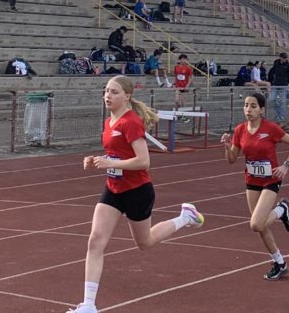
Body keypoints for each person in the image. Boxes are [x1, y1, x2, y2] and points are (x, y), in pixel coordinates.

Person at [67, 75, 206, 313]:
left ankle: (185, 217)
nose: (108, 96)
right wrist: (96, 161)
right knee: (95, 241)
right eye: (106, 91)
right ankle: (89, 305)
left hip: (137, 191)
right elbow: (115, 154)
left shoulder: (130, 122)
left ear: (127, 96)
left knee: (145, 242)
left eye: (114, 92)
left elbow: (144, 161)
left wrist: (111, 163)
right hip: (113, 189)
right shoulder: (110, 120)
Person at [220, 91, 289, 280]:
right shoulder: (240, 130)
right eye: (246, 105)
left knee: (256, 224)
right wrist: (226, 146)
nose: (248, 109)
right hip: (251, 181)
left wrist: (286, 165)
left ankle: (282, 210)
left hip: (271, 180)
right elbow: (232, 160)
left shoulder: (271, 128)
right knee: (261, 227)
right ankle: (279, 262)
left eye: (253, 106)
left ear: (262, 110)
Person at [268, 53, 289, 123]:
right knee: (271, 99)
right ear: (280, 58)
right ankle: (278, 112)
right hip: (275, 84)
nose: (284, 60)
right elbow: (272, 71)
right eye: (283, 58)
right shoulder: (276, 62)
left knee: (282, 101)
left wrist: (286, 82)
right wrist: (271, 80)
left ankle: (281, 116)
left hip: (283, 85)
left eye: (285, 58)